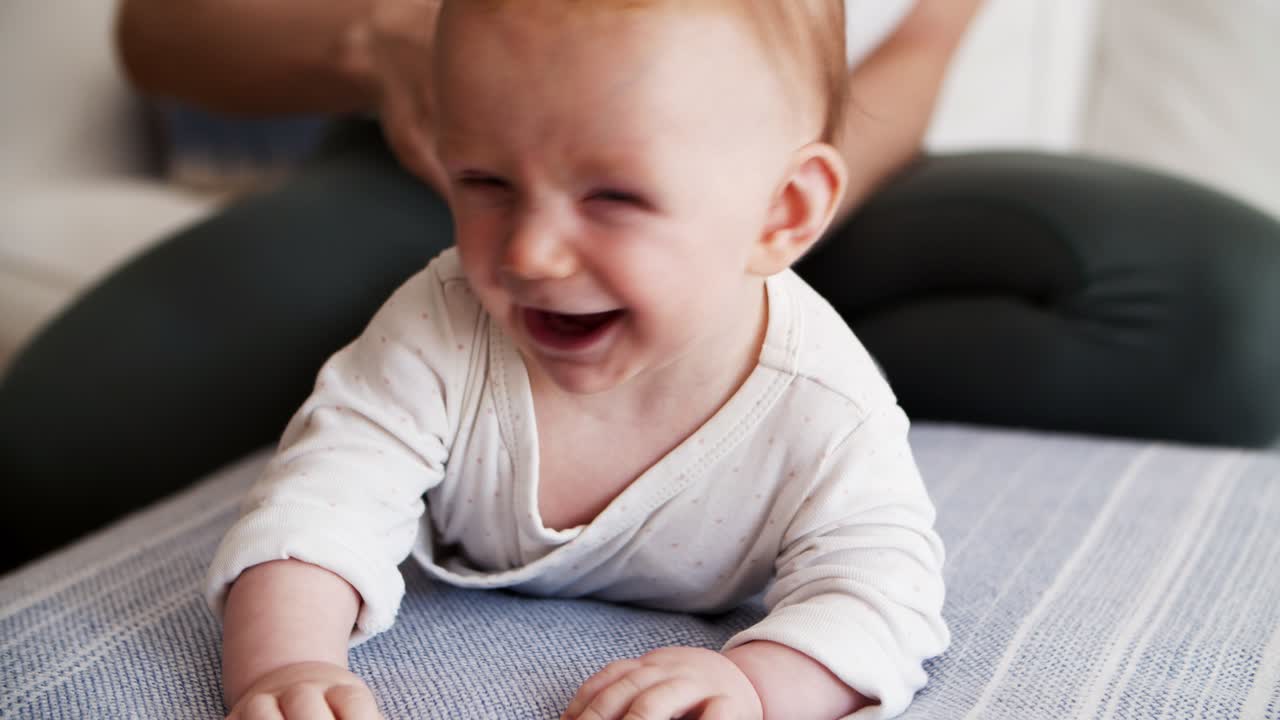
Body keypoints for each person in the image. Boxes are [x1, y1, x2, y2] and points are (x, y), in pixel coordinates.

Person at [2, 0, 1279, 575]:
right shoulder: (483, 227)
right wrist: (389, 42)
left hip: (852, 177)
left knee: (1238, 317)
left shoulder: (790, 197)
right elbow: (159, 29)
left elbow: (925, 37)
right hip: (453, 160)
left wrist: (732, 242)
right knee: (51, 447)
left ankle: (730, 379)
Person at [208, 2, 948, 718]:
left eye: (613, 197)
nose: (529, 253)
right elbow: (318, 504)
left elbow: (883, 596)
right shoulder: (443, 326)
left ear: (782, 211)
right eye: (486, 183)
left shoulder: (824, 404)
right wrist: (287, 665)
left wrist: (756, 687)